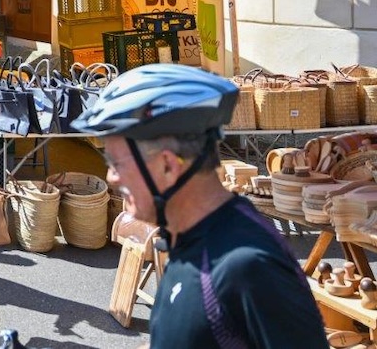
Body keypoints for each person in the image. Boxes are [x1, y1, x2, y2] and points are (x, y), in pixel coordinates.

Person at [72, 65, 328, 349]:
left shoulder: (246, 267)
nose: (111, 177)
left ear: (168, 165)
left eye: (117, 163)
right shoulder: (187, 238)